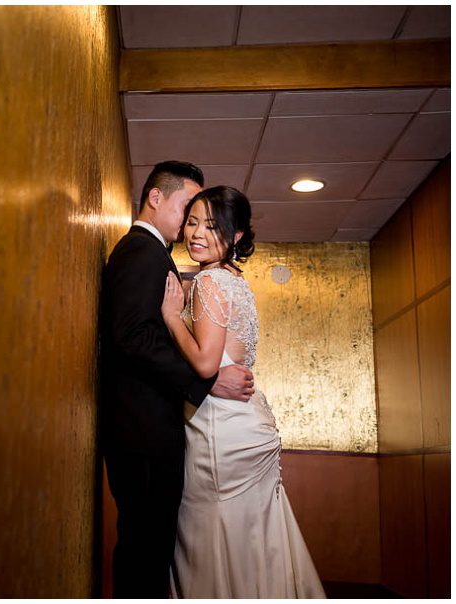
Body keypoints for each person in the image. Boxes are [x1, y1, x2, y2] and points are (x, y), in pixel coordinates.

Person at [99, 161, 255, 598]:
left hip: (152, 428)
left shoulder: (160, 258)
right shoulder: (140, 251)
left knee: (153, 546)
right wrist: (207, 380)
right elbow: (132, 335)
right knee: (146, 549)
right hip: (142, 430)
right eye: (189, 210)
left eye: (204, 220)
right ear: (155, 197)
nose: (192, 225)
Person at [161, 185, 326, 598]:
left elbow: (205, 364)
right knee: (253, 531)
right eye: (192, 222)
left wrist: (170, 316)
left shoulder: (210, 283)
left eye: (211, 226)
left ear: (235, 236)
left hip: (222, 429)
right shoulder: (237, 281)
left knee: (211, 532)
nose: (196, 233)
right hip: (247, 419)